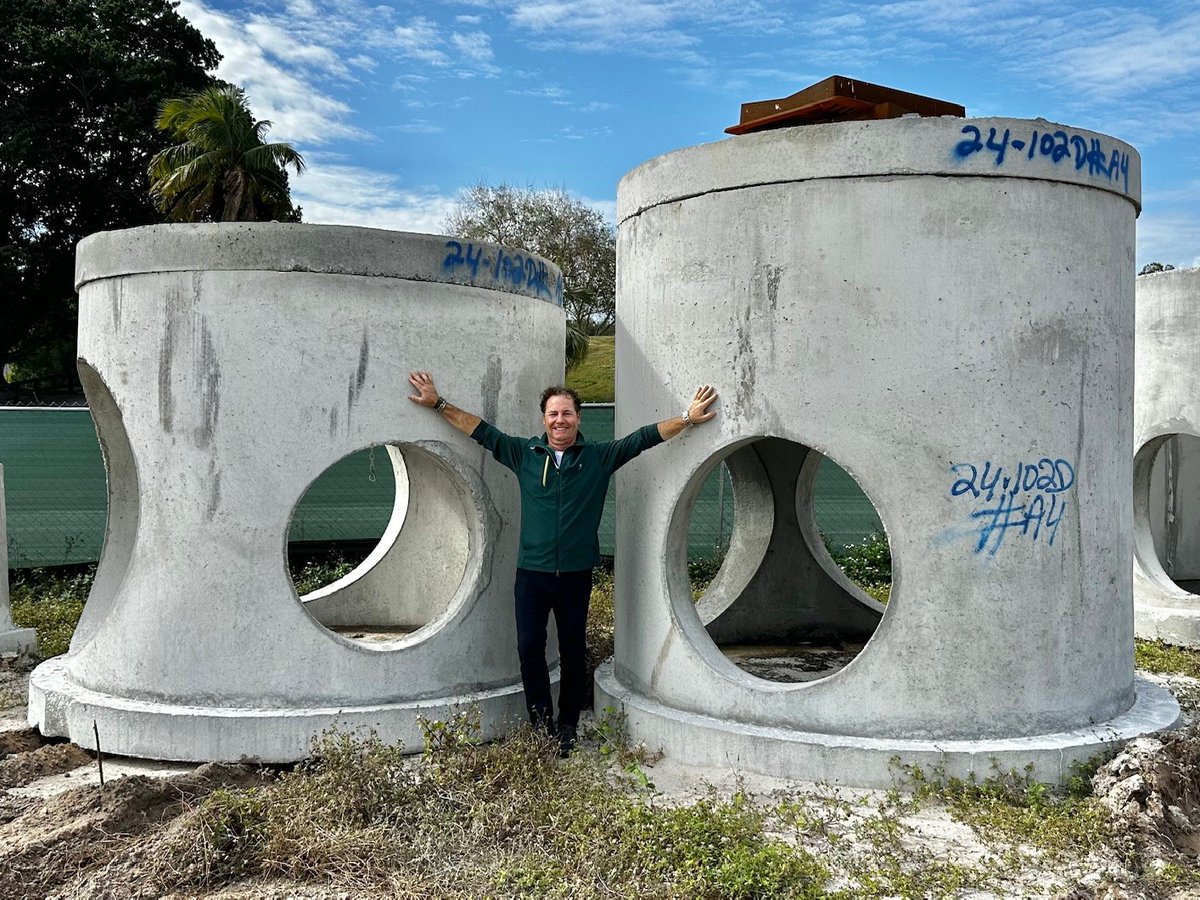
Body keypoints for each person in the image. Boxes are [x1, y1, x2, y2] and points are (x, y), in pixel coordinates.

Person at [408, 371, 718, 755]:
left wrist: (686, 418)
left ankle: (568, 723)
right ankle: (541, 724)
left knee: (573, 651)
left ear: (578, 418)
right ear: (544, 419)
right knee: (528, 649)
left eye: (567, 413)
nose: (560, 420)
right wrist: (438, 403)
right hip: (531, 576)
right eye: (553, 414)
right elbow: (480, 431)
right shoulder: (524, 454)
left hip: (575, 576)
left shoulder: (598, 458)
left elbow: (643, 439)